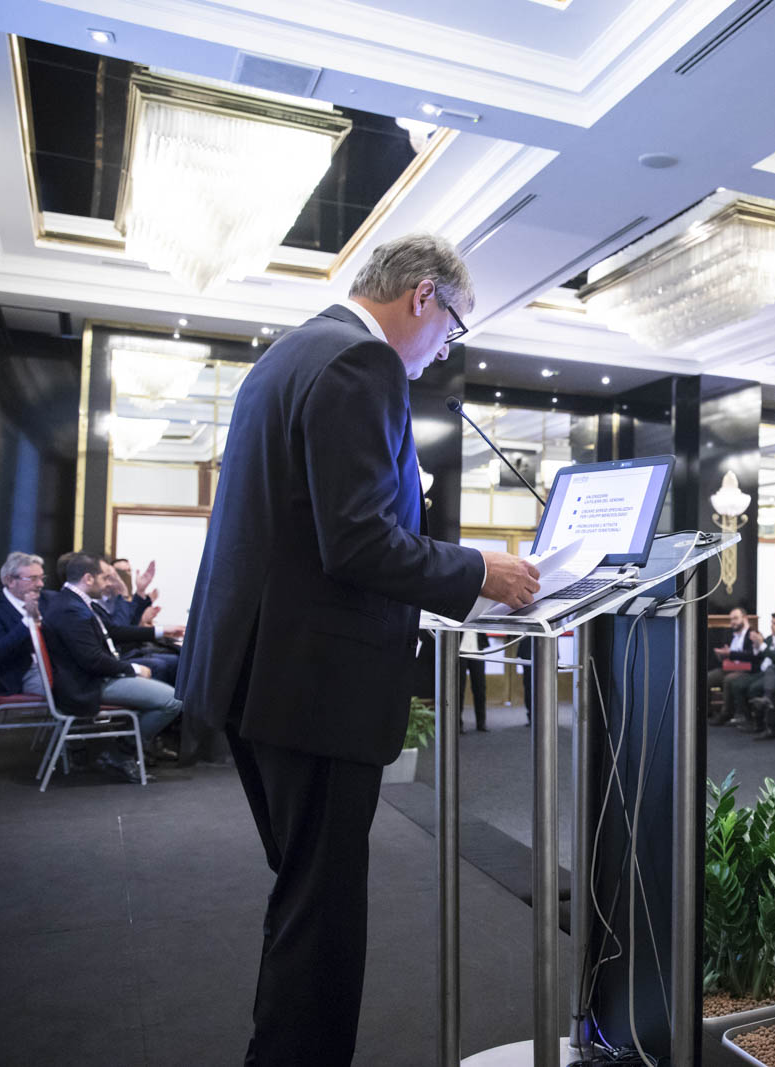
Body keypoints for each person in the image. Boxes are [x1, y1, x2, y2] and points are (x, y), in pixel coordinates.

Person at [174, 233, 540, 1066]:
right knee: (324, 916)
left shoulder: (289, 354)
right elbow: (359, 542)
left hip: (258, 674)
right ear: (423, 296)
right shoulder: (360, 363)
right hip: (313, 687)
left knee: (304, 898)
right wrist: (480, 568)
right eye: (451, 330)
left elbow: (305, 528)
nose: (443, 350)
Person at [41, 553, 186, 782]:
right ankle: (122, 753)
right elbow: (92, 660)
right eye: (104, 578)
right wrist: (133, 669)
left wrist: (160, 631)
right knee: (172, 701)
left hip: (94, 677)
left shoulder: (75, 602)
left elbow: (114, 631)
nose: (108, 583)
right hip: (87, 685)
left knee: (164, 678)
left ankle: (131, 749)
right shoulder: (71, 609)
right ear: (88, 578)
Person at [0, 551, 48, 698]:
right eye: (33, 579)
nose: (40, 584)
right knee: (68, 689)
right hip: (18, 674)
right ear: (10, 580)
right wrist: (28, 620)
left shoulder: (48, 599)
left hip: (54, 666)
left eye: (41, 578)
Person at [708, 606, 756, 725]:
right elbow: (727, 653)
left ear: (744, 618)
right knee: (708, 677)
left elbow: (752, 656)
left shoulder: (753, 634)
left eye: (735, 618)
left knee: (728, 680)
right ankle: (707, 712)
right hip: (729, 667)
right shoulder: (730, 634)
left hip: (745, 670)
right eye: (731, 619)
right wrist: (721, 655)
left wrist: (731, 654)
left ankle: (726, 714)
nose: (732, 622)